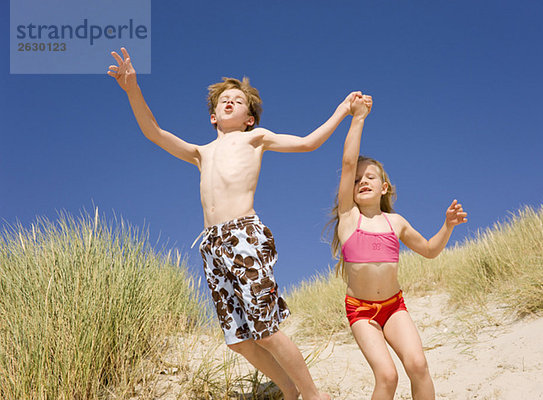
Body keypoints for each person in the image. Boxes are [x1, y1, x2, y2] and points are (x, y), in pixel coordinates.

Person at [108, 47, 360, 400]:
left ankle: (314, 396)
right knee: (239, 340)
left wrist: (342, 111)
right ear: (212, 116)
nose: (229, 102)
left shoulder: (254, 139)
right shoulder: (201, 153)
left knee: (266, 331)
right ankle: (288, 390)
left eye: (237, 101)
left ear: (249, 118)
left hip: (244, 236)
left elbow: (307, 143)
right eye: (223, 100)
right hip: (211, 244)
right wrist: (132, 88)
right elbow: (154, 131)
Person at [328, 95, 467, 400]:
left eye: (371, 177)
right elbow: (348, 163)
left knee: (418, 365)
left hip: (394, 306)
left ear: (384, 187)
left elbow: (430, 250)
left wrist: (448, 226)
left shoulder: (396, 222)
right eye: (357, 179)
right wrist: (359, 118)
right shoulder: (348, 218)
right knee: (388, 377)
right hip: (361, 311)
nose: (363, 180)